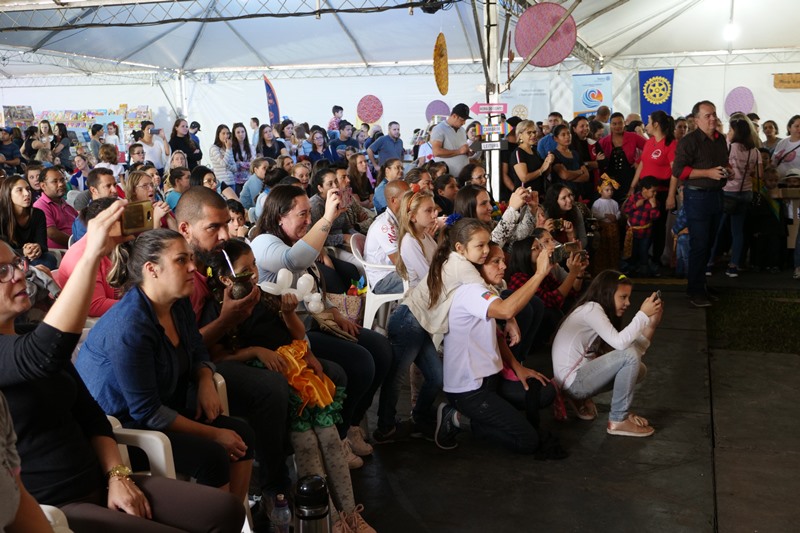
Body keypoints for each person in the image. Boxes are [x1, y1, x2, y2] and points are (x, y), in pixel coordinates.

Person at [0, 202, 245, 532]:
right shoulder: (34, 348)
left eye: (16, 263)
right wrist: (91, 253)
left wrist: (117, 476)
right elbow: (46, 353)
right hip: (59, 504)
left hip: (104, 479)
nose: (19, 274)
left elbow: (93, 418)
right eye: (2, 272)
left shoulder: (28, 333)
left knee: (225, 510)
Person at [201, 239, 376, 532]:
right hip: (273, 375)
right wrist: (256, 352)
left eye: (255, 264)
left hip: (297, 370)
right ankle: (326, 518)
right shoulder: (220, 309)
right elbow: (218, 355)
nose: (255, 273)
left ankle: (349, 513)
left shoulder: (265, 296)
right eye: (247, 269)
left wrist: (292, 321)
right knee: (306, 444)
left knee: (329, 437)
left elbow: (295, 335)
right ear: (224, 278)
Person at [76, 229, 255, 507]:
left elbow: (197, 347)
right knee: (213, 455)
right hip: (124, 429)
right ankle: (217, 523)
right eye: (181, 260)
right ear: (152, 269)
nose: (193, 268)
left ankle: (236, 518)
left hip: (163, 409)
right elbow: (145, 411)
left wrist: (205, 377)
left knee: (243, 435)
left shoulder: (177, 302)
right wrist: (214, 434)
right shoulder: (131, 326)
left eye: (191, 259)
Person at [249, 185, 392, 462]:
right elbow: (293, 262)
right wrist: (327, 219)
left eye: (309, 215)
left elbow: (311, 290)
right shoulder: (263, 242)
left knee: (381, 348)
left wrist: (334, 313)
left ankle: (352, 425)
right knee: (361, 363)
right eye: (303, 214)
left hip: (313, 324)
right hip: (289, 337)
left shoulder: (297, 240)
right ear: (280, 216)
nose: (308, 220)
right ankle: (336, 440)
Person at [174, 186, 293, 506]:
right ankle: (273, 483)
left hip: (210, 359)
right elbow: (184, 347)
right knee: (272, 387)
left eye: (228, 224)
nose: (225, 234)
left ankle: (298, 454)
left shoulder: (218, 263)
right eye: (214, 227)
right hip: (192, 370)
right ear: (185, 229)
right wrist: (226, 323)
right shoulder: (180, 275)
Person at [433, 219, 560, 455]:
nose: (503, 267)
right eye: (495, 261)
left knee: (544, 392)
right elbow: (506, 310)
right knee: (528, 441)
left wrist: (516, 367)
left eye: (503, 260)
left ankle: (496, 413)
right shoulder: (470, 291)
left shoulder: (486, 288)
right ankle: (457, 418)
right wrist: (540, 273)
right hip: (470, 391)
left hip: (490, 379)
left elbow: (497, 335)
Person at [551, 271, 663, 437]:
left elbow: (632, 357)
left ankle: (579, 400)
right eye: (623, 297)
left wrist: (651, 325)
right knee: (629, 356)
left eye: (628, 297)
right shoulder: (591, 309)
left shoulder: (598, 312)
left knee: (639, 368)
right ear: (607, 294)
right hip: (574, 381)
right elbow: (622, 346)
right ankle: (618, 419)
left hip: (576, 380)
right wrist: (642, 315)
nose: (627, 303)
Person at [667, 100, 729, 308]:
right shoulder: (689, 142)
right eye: (707, 116)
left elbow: (723, 162)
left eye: (714, 114)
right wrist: (707, 173)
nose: (712, 118)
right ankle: (694, 290)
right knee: (700, 244)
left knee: (710, 244)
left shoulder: (720, 139)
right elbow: (678, 171)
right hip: (697, 197)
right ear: (696, 120)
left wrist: (728, 170)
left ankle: (700, 284)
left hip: (716, 195)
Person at [708, 116, 762, 278]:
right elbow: (760, 174)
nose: (728, 133)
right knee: (738, 232)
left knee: (717, 230)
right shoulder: (755, 151)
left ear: (736, 132)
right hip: (745, 193)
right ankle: (733, 266)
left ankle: (709, 263)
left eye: (730, 130)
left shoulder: (728, 147)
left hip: (727, 192)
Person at [55, 198, 121, 317]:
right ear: (110, 223)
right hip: (100, 320)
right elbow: (95, 305)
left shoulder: (116, 245)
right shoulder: (81, 256)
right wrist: (141, 305)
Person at [629, 111, 677, 264]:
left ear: (656, 124)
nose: (646, 126)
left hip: (660, 192)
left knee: (657, 226)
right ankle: (640, 258)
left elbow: (675, 172)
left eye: (648, 122)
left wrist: (671, 195)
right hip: (643, 191)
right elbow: (642, 164)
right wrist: (633, 186)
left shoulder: (671, 144)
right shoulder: (649, 142)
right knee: (640, 224)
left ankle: (656, 259)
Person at [363, 180, 410, 294]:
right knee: (428, 280)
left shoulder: (399, 218)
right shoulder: (385, 226)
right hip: (383, 279)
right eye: (406, 198)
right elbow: (400, 264)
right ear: (393, 200)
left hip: (394, 272)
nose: (411, 201)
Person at [0, 176, 57, 269]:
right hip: (8, 260)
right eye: (19, 190)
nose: (27, 193)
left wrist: (37, 247)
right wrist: (23, 252)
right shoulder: (1, 216)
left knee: (49, 259)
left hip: (32, 259)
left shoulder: (38, 214)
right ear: (8, 194)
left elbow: (43, 245)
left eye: (28, 189)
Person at [599, 112, 647, 203]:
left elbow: (649, 147)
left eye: (620, 123)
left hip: (629, 176)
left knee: (629, 201)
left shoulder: (633, 136)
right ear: (610, 125)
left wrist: (638, 161)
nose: (617, 126)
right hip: (610, 177)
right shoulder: (604, 141)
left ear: (624, 123)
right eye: (614, 124)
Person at [622, 176, 661, 277]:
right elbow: (626, 210)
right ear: (644, 190)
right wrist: (636, 205)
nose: (655, 194)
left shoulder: (654, 201)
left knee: (644, 251)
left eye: (656, 191)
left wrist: (653, 206)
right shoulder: (634, 197)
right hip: (633, 232)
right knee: (632, 251)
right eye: (653, 191)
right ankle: (631, 269)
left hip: (646, 233)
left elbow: (655, 217)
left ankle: (643, 270)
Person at [71, 168, 120, 243]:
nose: (115, 190)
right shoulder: (83, 221)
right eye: (108, 186)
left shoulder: (120, 208)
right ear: (94, 190)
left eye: (114, 185)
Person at [33, 167, 77, 249]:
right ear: (43, 186)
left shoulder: (63, 202)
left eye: (62, 180)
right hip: (64, 252)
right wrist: (76, 244)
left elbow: (80, 221)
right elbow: (52, 233)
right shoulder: (40, 206)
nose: (61, 184)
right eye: (55, 181)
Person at [509, 119, 554, 196]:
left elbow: (544, 173)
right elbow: (524, 178)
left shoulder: (535, 150)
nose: (533, 135)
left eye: (534, 132)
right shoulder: (518, 153)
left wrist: (549, 162)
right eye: (529, 133)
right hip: (525, 197)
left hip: (539, 195)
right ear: (520, 136)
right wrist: (542, 169)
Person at [591, 175, 622, 274]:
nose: (610, 192)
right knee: (602, 248)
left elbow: (618, 213)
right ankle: (601, 269)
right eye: (607, 190)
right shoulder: (597, 203)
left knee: (613, 247)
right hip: (602, 228)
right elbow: (594, 214)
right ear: (600, 190)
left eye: (611, 190)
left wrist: (615, 217)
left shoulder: (614, 203)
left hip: (613, 228)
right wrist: (605, 215)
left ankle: (613, 267)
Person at [431, 103, 472, 177]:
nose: (464, 123)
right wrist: (459, 151)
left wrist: (467, 152)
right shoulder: (439, 129)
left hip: (464, 175)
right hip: (448, 177)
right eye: (462, 120)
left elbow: (462, 149)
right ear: (454, 116)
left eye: (465, 120)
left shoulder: (462, 130)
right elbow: (436, 152)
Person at [549, 124, 591, 194]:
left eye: (568, 133)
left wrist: (569, 176)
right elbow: (565, 175)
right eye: (563, 135)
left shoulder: (575, 153)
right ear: (555, 138)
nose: (567, 137)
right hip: (562, 194)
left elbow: (586, 176)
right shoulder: (554, 155)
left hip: (579, 192)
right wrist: (580, 172)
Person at [543, 183, 586, 248]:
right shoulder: (546, 214)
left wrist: (571, 236)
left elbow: (583, 239)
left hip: (572, 250)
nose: (569, 200)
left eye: (570, 195)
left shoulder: (575, 210)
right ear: (555, 201)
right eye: (564, 198)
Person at [209, 124, 237, 189]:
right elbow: (223, 163)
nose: (226, 136)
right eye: (223, 133)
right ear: (218, 134)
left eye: (227, 133)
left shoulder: (228, 148)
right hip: (221, 183)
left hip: (232, 181)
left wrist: (226, 164)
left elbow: (235, 168)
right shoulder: (214, 148)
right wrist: (228, 149)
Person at [231, 122, 254, 188]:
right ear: (234, 134)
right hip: (236, 181)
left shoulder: (251, 147)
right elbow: (232, 164)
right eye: (238, 132)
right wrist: (246, 164)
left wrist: (240, 164)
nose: (241, 134)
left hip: (249, 179)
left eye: (243, 132)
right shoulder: (232, 148)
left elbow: (253, 163)